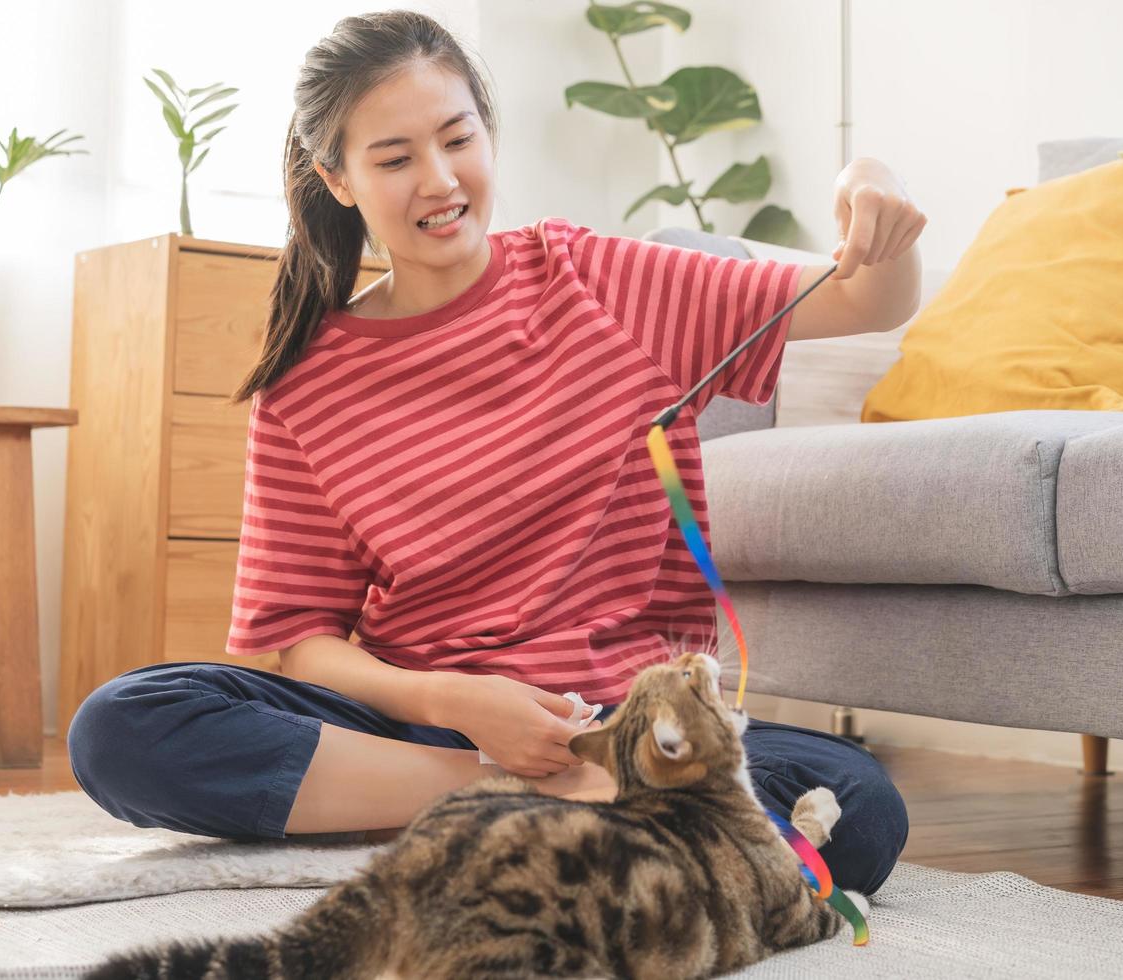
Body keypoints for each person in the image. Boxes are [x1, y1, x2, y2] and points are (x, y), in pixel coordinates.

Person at [68, 9, 925, 895]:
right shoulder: (306, 388)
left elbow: (865, 302)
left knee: (858, 801)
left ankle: (569, 817)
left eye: (456, 138)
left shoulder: (597, 280)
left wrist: (874, 184)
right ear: (339, 179)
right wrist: (456, 704)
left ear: (487, 128)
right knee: (123, 728)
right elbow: (304, 644)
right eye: (395, 159)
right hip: (430, 725)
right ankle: (545, 809)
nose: (439, 181)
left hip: (632, 733)